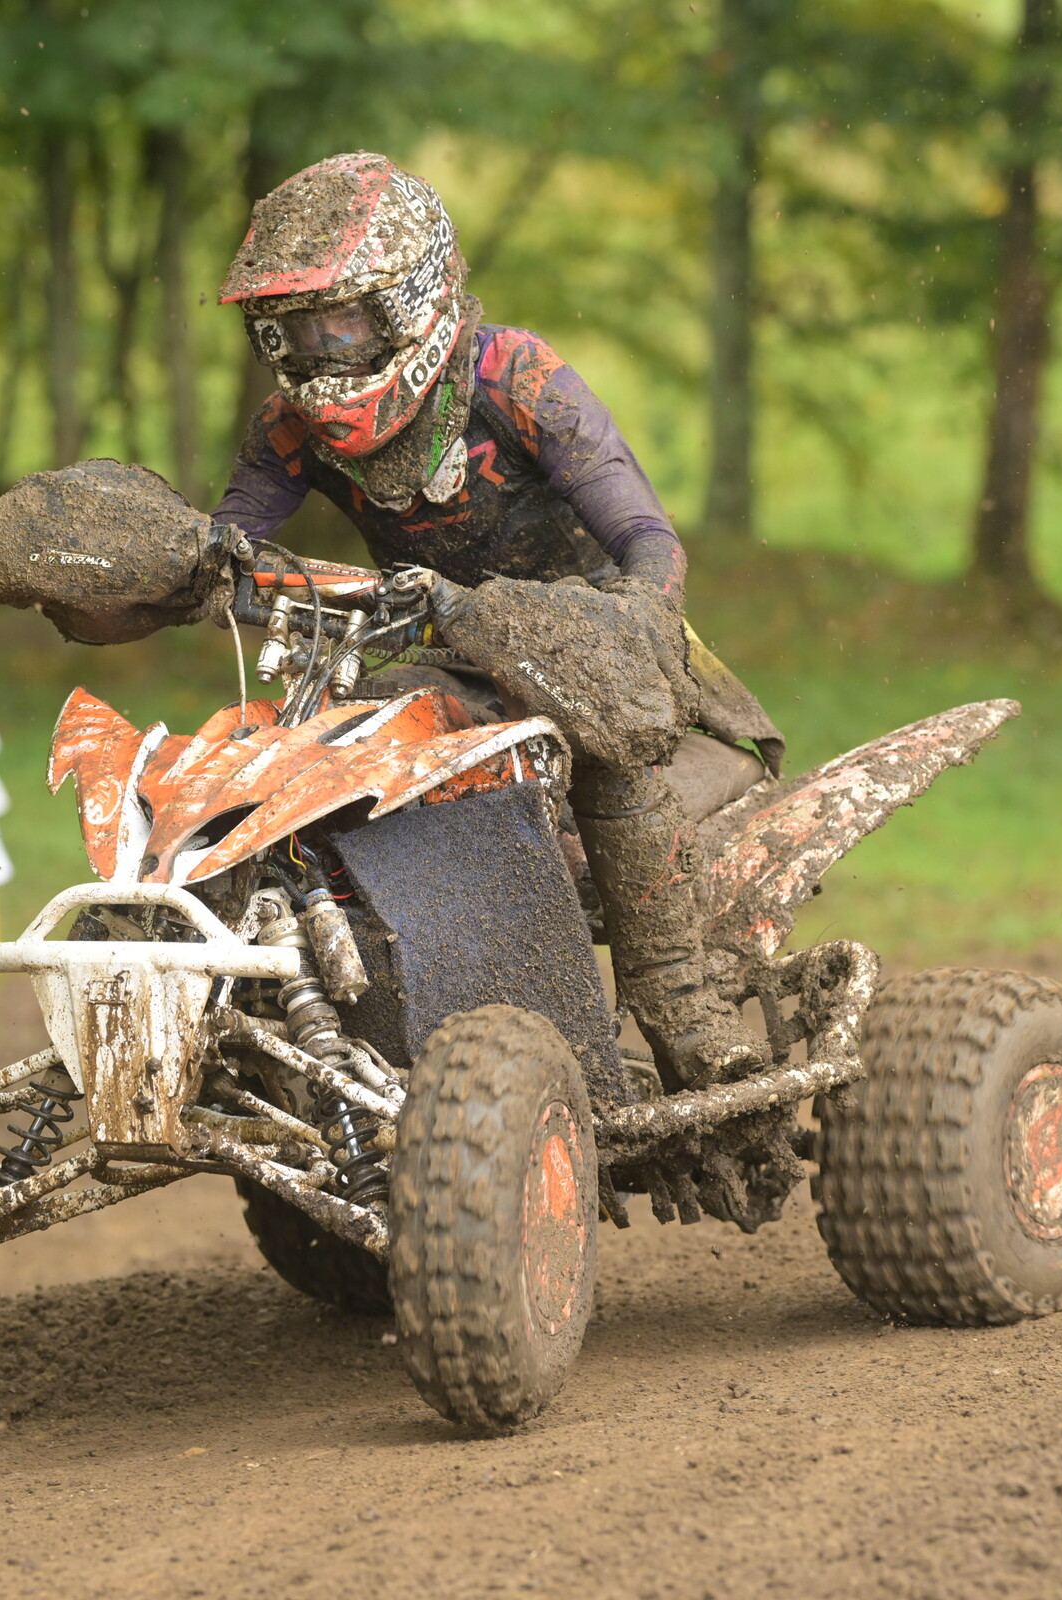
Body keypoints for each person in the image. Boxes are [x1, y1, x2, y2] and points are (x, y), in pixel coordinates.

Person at [209, 151, 779, 1091]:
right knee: (330, 750)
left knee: (607, 755)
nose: (320, 350)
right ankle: (322, 1023)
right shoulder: (291, 427)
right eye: (295, 330)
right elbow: (229, 548)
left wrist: (632, 624)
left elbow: (647, 539)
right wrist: (193, 564)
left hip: (603, 660)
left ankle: (687, 1013)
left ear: (412, 295)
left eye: (342, 319)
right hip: (448, 662)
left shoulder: (514, 376)